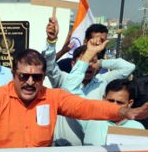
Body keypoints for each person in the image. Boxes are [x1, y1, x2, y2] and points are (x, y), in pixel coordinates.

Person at [0, 49, 148, 149]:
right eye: (24, 76)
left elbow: (86, 107)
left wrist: (123, 112)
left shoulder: (53, 97)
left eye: (37, 77)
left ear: (43, 77)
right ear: (14, 74)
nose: (30, 82)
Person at [42, 17, 135, 145]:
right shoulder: (63, 80)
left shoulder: (103, 82)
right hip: (61, 148)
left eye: (93, 61)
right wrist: (51, 42)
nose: (89, 65)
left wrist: (100, 62)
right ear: (74, 63)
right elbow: (48, 64)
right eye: (85, 61)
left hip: (91, 148)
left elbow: (129, 67)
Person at [82, 79, 146, 146]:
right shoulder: (90, 120)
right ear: (104, 99)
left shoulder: (137, 127)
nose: (114, 106)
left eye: (120, 102)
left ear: (130, 103)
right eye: (111, 101)